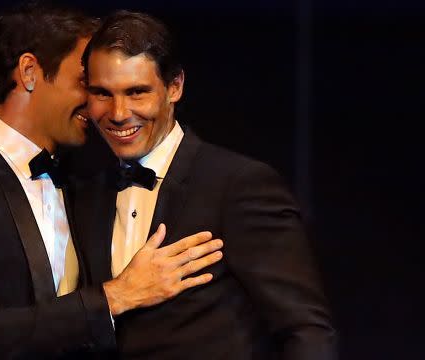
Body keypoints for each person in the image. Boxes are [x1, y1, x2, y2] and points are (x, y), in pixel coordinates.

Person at [0, 4, 223, 359]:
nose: (98, 102)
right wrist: (118, 295)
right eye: (87, 83)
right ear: (30, 71)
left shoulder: (83, 184)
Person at [73, 10, 337, 359]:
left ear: (174, 86)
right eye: (103, 94)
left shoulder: (239, 185)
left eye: (137, 92)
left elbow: (307, 330)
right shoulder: (87, 195)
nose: (119, 112)